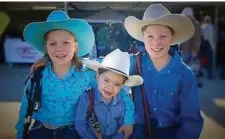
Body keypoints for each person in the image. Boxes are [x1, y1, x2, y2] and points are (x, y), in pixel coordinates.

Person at [16, 10, 134, 139]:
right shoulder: (38, 75)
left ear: (75, 46)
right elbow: (25, 107)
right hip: (40, 130)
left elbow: (121, 92)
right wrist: (20, 134)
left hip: (73, 131)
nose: (59, 48)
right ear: (46, 47)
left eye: (66, 42)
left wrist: (128, 121)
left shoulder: (87, 74)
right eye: (53, 43)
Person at [124, 4, 204, 139]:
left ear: (173, 38)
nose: (156, 42)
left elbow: (191, 120)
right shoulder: (131, 64)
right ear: (143, 37)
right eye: (150, 36)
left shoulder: (185, 74)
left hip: (172, 133)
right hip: (137, 133)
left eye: (163, 36)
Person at [75, 49, 143, 139]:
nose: (110, 87)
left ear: (122, 85)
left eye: (117, 84)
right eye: (106, 80)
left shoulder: (122, 103)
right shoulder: (86, 98)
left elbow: (121, 126)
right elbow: (80, 123)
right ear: (98, 76)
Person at [180, 7, 203, 87]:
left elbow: (197, 38)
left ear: (188, 15)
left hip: (190, 49)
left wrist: (195, 50)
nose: (184, 17)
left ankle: (196, 82)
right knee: (189, 66)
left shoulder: (195, 24)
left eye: (185, 15)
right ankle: (189, 82)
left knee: (193, 67)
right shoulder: (186, 23)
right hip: (185, 49)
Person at [201, 15, 215, 79]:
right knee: (210, 60)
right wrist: (213, 47)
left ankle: (201, 73)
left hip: (202, 44)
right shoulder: (210, 26)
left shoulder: (202, 26)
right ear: (209, 20)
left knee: (203, 59)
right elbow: (211, 38)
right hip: (208, 44)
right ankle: (209, 75)